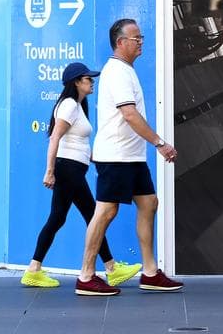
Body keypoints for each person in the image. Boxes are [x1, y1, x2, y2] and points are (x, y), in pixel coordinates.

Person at [74, 19, 181, 296]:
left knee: (149, 203)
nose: (141, 42)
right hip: (116, 156)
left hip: (132, 156)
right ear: (120, 43)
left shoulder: (127, 70)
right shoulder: (118, 72)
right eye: (136, 38)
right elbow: (129, 114)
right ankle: (86, 276)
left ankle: (150, 273)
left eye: (141, 37)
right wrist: (160, 143)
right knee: (106, 211)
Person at [21, 62, 142, 288]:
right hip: (68, 169)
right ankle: (111, 267)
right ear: (76, 82)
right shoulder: (68, 105)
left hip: (73, 169)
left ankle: (34, 268)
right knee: (92, 215)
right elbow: (55, 137)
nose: (92, 82)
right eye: (88, 79)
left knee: (60, 217)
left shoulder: (77, 105)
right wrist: (49, 172)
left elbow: (78, 141)